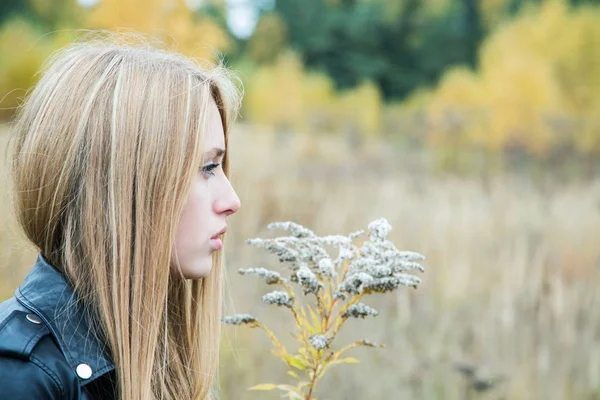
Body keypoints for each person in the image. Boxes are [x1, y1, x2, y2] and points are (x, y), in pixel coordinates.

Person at [0, 32, 242, 399]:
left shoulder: (153, 354)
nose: (232, 200)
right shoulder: (21, 378)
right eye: (207, 167)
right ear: (122, 186)